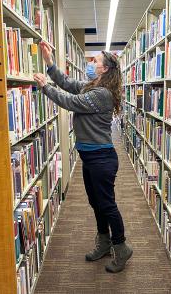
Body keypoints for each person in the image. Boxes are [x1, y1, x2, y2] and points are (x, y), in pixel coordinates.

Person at [34, 43, 133, 273]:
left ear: (105, 69)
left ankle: (121, 247)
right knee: (95, 202)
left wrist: (45, 87)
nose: (91, 64)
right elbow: (68, 84)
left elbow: (70, 101)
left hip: (101, 159)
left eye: (95, 61)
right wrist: (49, 63)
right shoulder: (92, 86)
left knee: (107, 205)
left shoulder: (102, 94)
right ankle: (104, 242)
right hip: (90, 158)